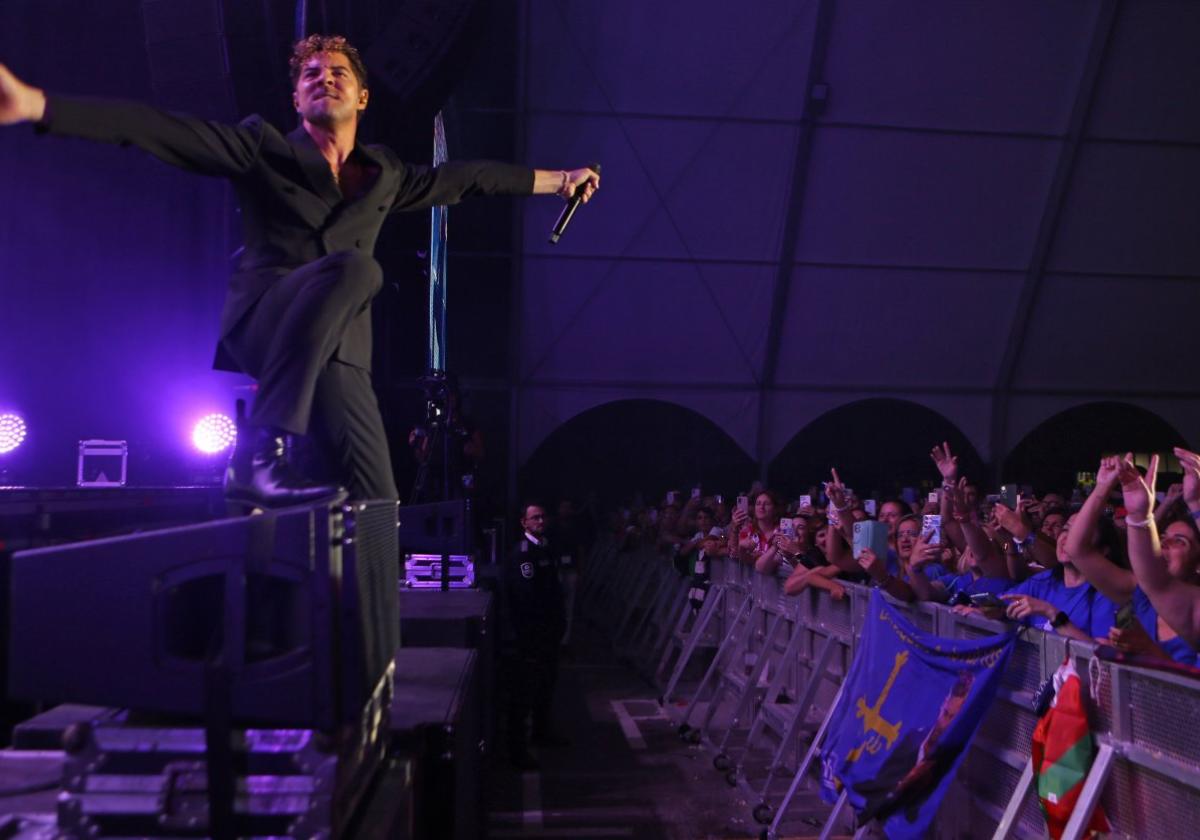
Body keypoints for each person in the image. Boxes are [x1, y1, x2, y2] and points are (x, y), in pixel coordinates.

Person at [0, 36, 598, 506]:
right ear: (296, 99)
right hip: (268, 322)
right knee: (361, 272)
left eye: (338, 72)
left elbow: (467, 179)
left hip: (342, 355)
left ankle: (369, 659)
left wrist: (558, 181)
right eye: (311, 74)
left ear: (363, 97)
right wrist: (38, 105)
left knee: (378, 502)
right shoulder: (264, 148)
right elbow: (160, 131)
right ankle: (261, 450)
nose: (324, 78)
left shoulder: (386, 175)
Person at [503, 502, 567, 770]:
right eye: (535, 517)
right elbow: (527, 599)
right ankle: (518, 752)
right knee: (524, 693)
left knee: (545, 685)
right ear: (524, 523)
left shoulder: (546, 548)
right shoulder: (523, 554)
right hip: (531, 637)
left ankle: (542, 731)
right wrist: (533, 636)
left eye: (543, 516)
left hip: (548, 634)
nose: (540, 520)